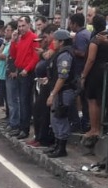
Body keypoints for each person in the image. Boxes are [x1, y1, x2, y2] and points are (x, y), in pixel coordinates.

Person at [46, 29, 77, 157]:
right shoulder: (61, 53)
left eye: (55, 40)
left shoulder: (65, 55)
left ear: (62, 42)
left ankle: (61, 147)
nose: (53, 42)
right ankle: (57, 144)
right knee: (55, 118)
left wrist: (52, 94)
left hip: (63, 91)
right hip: (59, 90)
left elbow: (63, 77)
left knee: (60, 117)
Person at [80, 14, 108, 144]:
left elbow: (91, 59)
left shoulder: (96, 40)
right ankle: (99, 128)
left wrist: (83, 75)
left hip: (95, 71)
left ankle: (94, 129)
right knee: (100, 100)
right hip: (105, 70)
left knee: (92, 101)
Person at [9, 16, 39, 140]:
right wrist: (13, 41)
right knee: (21, 100)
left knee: (25, 101)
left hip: (28, 72)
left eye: (23, 26)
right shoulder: (20, 38)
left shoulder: (34, 38)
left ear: (28, 25)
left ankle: (24, 129)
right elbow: (13, 55)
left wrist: (27, 69)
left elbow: (35, 56)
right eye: (19, 26)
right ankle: (21, 127)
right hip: (20, 71)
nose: (21, 28)